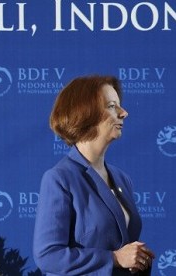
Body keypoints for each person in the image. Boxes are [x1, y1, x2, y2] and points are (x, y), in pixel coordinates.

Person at [33, 75, 155, 275]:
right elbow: (48, 255)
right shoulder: (59, 179)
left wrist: (138, 259)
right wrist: (114, 258)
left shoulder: (122, 178)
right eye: (112, 106)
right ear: (85, 112)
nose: (124, 113)